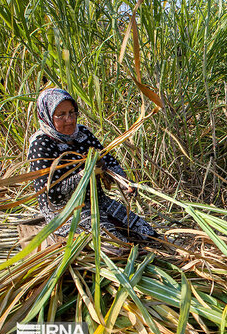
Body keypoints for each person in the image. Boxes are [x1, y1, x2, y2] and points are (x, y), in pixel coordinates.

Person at [28, 88, 158, 243]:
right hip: (65, 210)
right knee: (118, 246)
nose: (69, 120)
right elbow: (51, 194)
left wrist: (123, 181)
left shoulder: (82, 133)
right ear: (47, 116)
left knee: (149, 235)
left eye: (72, 112)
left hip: (98, 201)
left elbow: (107, 159)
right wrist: (85, 174)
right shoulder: (41, 144)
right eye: (61, 115)